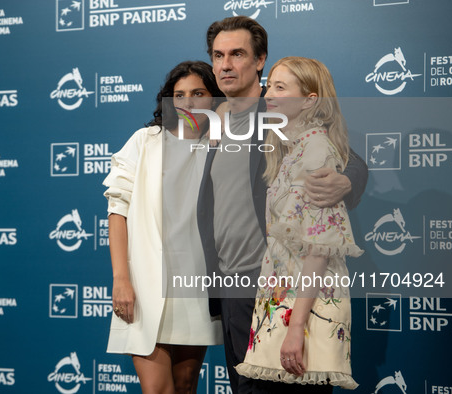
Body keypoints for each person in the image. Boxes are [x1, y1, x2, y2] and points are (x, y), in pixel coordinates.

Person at [197, 16, 368, 394]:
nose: (225, 64)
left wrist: (346, 180)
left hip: (275, 287)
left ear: (259, 61)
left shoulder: (278, 111)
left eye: (237, 54)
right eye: (218, 55)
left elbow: (346, 156)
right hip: (232, 288)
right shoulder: (216, 121)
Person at [235, 56, 363, 392]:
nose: (269, 95)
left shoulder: (317, 150)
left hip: (304, 309)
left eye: (280, 87)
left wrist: (296, 326)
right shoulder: (291, 149)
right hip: (281, 301)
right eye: (269, 86)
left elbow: (319, 249)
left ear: (310, 100)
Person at [103, 61, 224, 394]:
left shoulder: (222, 147)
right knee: (157, 388)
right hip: (145, 285)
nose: (187, 102)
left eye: (198, 93)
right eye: (179, 94)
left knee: (185, 385)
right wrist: (121, 279)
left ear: (214, 99)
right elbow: (118, 210)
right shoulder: (145, 141)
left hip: (197, 284)